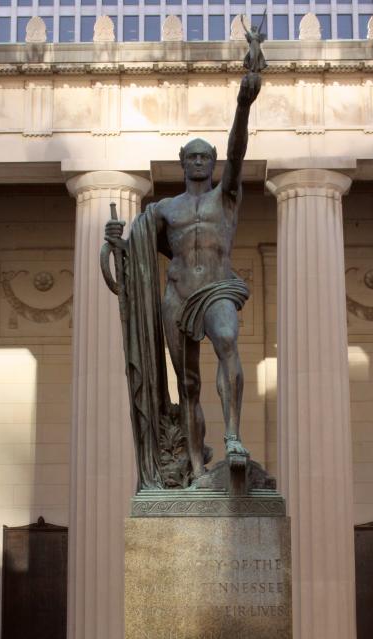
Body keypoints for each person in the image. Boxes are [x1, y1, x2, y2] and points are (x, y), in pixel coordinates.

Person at [104, 72, 263, 487]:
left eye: (205, 157)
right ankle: (194, 468)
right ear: (182, 162)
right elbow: (139, 258)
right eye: (191, 157)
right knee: (187, 384)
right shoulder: (163, 211)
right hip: (177, 295)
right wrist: (117, 245)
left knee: (227, 340)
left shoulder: (224, 197)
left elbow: (237, 149)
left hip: (216, 289)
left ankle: (232, 437)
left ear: (213, 162)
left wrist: (243, 104)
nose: (198, 162)